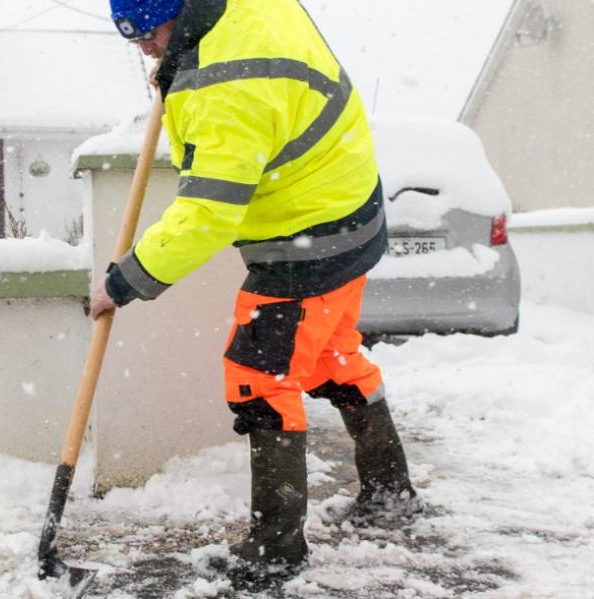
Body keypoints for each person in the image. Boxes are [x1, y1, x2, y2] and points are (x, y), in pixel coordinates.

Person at [93, 0, 419, 577]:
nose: (144, 49)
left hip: (308, 239)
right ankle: (391, 494)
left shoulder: (228, 88)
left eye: (150, 34)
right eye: (133, 39)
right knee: (330, 359)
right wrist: (177, 60)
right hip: (349, 211)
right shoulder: (240, 13)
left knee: (260, 379)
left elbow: (209, 213)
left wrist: (126, 280)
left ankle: (275, 551)